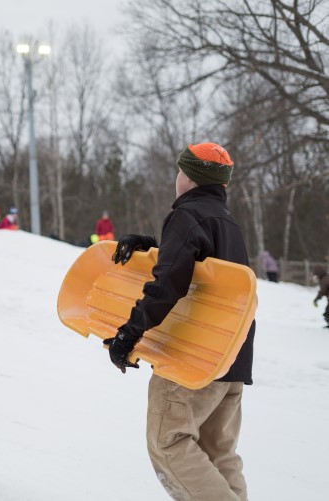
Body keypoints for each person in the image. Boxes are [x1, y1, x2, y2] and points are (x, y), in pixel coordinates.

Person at [104, 143, 254, 500]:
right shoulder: (227, 222)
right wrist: (151, 245)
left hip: (192, 355)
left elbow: (169, 283)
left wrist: (130, 331)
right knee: (219, 452)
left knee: (168, 443)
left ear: (187, 177)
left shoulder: (187, 216)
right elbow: (203, 270)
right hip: (231, 356)